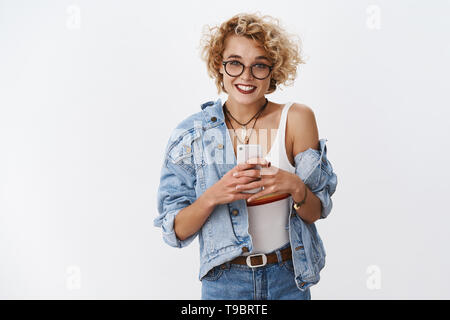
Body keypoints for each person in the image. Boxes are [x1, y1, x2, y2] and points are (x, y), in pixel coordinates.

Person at [154, 12, 338, 300]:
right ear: (220, 66)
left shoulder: (297, 118)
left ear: (273, 71)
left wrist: (295, 186)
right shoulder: (192, 134)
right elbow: (174, 231)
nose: (246, 76)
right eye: (235, 63)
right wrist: (214, 195)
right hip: (224, 282)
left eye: (259, 66)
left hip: (288, 277)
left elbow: (315, 211)